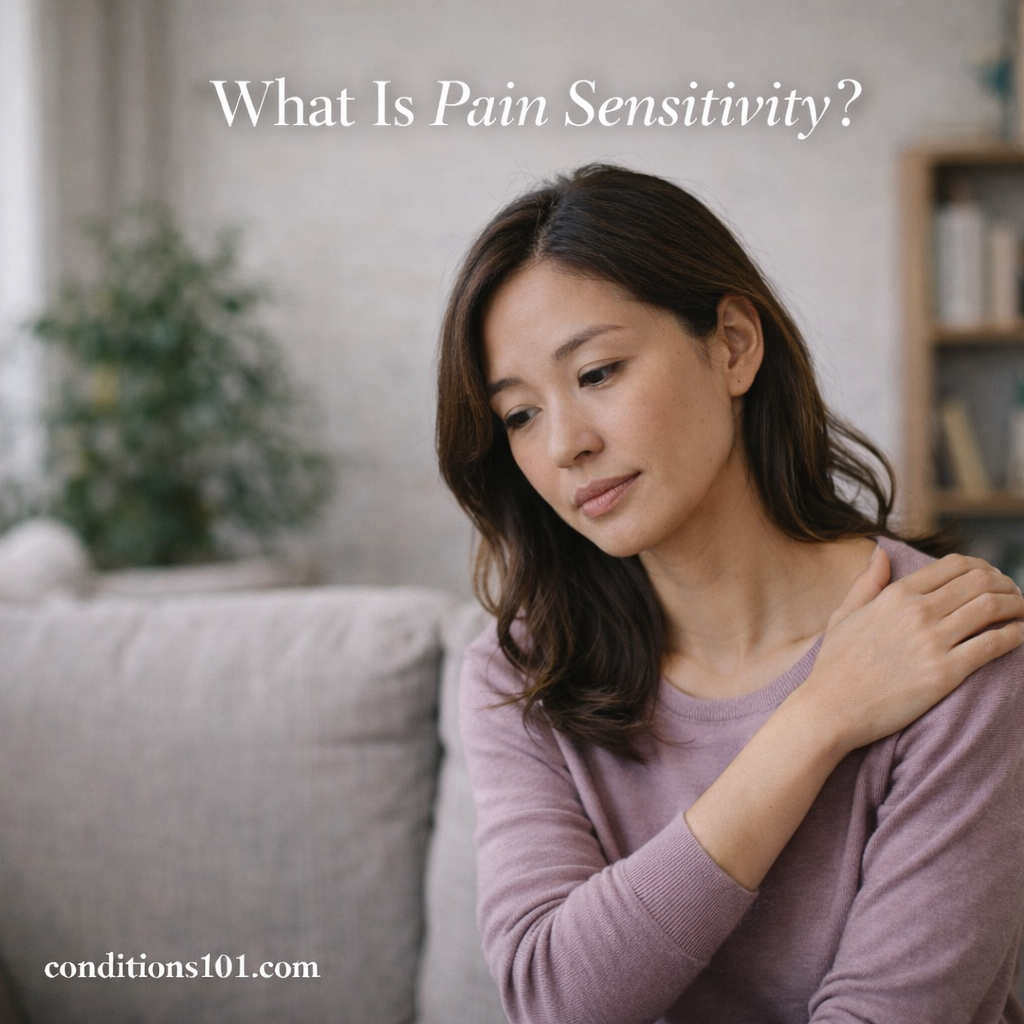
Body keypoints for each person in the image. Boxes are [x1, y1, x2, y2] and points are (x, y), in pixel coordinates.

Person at [435, 164, 1024, 1024]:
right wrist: (816, 720)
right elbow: (555, 996)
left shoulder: (948, 644)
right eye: (519, 414)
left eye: (597, 373)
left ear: (734, 345)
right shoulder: (525, 670)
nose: (564, 444)